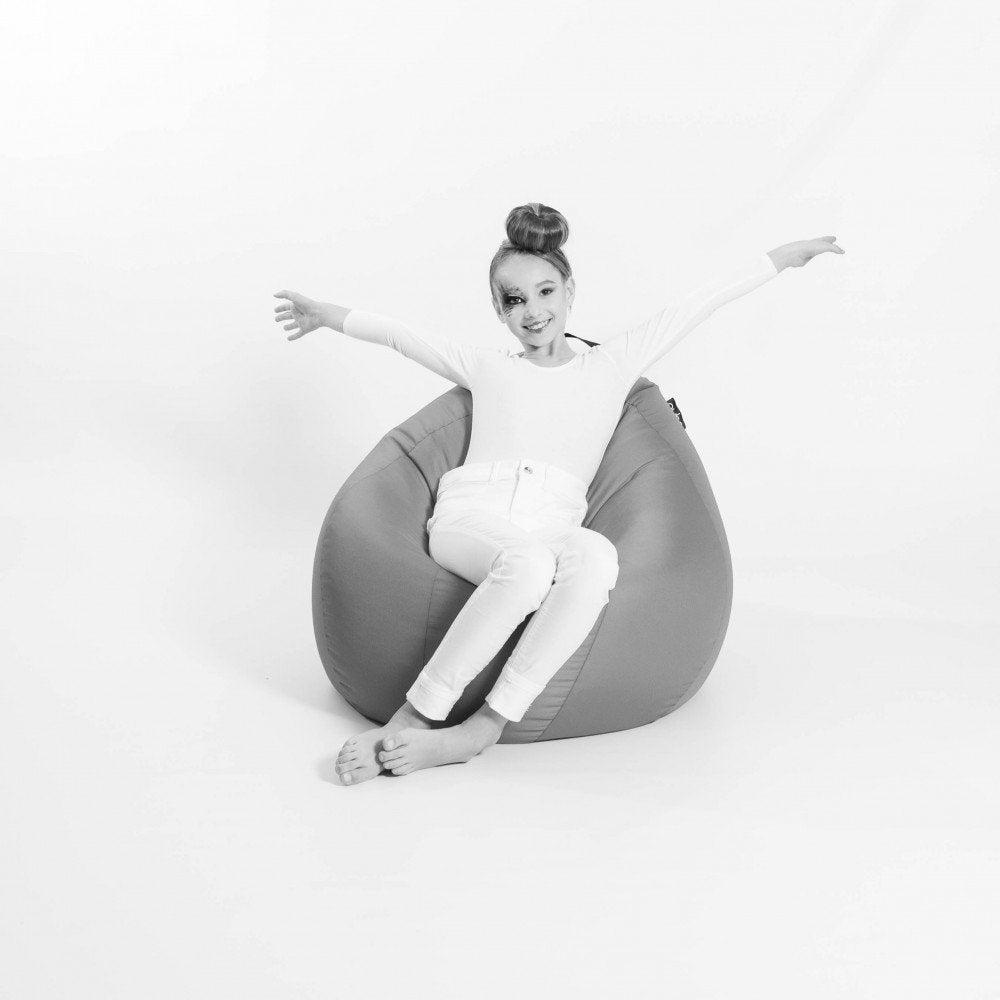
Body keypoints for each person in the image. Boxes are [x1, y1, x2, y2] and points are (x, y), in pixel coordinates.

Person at [273, 202, 844, 784]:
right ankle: (413, 717)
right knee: (526, 566)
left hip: (552, 521)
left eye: (546, 292)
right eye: (514, 299)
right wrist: (324, 314)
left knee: (596, 558)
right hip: (474, 513)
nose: (533, 311)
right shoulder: (487, 366)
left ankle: (483, 727)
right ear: (498, 309)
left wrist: (781, 258)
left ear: (570, 291)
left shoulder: (611, 364)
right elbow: (399, 335)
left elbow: (696, 304)